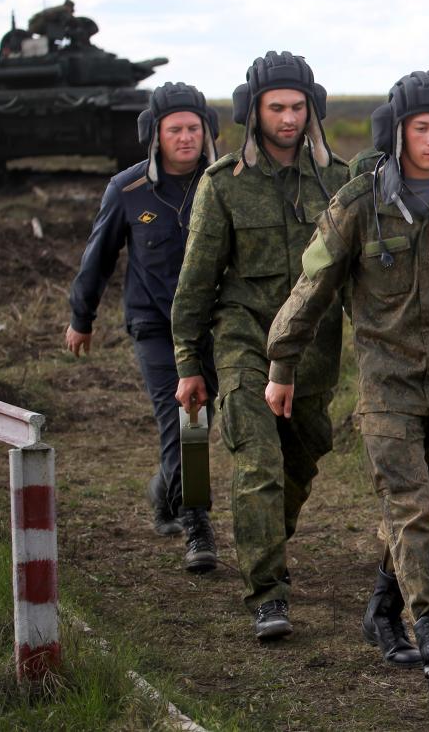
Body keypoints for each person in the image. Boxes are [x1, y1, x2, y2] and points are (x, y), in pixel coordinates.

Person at [264, 70, 429, 714]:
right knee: (411, 513)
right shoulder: (358, 203)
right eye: (423, 129)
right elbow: (312, 290)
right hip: (385, 387)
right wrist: (281, 364)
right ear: (399, 131)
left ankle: (383, 605)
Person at [171, 52, 350, 641]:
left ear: (312, 108)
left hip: (313, 348)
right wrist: (189, 364)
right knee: (258, 461)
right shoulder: (223, 184)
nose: (289, 118)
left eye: (298, 107)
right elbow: (196, 280)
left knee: (303, 456)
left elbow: (357, 275)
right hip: (243, 336)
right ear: (253, 112)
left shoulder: (339, 181)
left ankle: (265, 537)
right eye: (277, 107)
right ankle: (268, 593)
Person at [65, 81, 221, 573]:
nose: (185, 137)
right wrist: (81, 317)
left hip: (215, 323)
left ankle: (164, 489)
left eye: (194, 128)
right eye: (175, 129)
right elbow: (99, 256)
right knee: (186, 417)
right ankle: (196, 523)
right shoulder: (128, 189)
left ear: (207, 131)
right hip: (154, 326)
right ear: (155, 134)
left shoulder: (224, 182)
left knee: (201, 421)